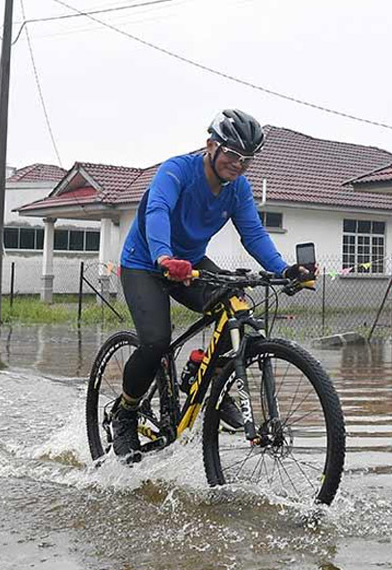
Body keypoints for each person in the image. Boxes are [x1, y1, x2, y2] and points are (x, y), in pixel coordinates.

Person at [114, 109, 311, 462]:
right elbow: (156, 210)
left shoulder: (238, 189)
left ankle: (212, 384)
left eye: (247, 160)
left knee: (236, 304)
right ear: (211, 146)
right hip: (145, 262)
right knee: (156, 340)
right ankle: (125, 413)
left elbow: (253, 233)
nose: (238, 165)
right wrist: (163, 257)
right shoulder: (176, 171)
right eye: (232, 155)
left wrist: (283, 270)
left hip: (191, 263)